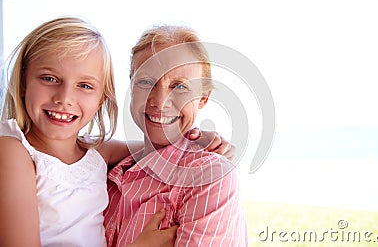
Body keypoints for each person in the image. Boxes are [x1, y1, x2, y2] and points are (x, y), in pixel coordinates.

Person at [0, 17, 233, 247]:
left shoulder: (96, 153)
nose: (64, 99)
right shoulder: (13, 152)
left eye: (84, 85)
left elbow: (151, 149)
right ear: (22, 83)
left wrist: (196, 140)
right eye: (49, 79)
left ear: (102, 97)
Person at [104, 25, 248, 246]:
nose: (160, 101)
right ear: (131, 86)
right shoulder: (107, 172)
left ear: (203, 98)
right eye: (145, 82)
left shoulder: (209, 177)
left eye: (180, 86)